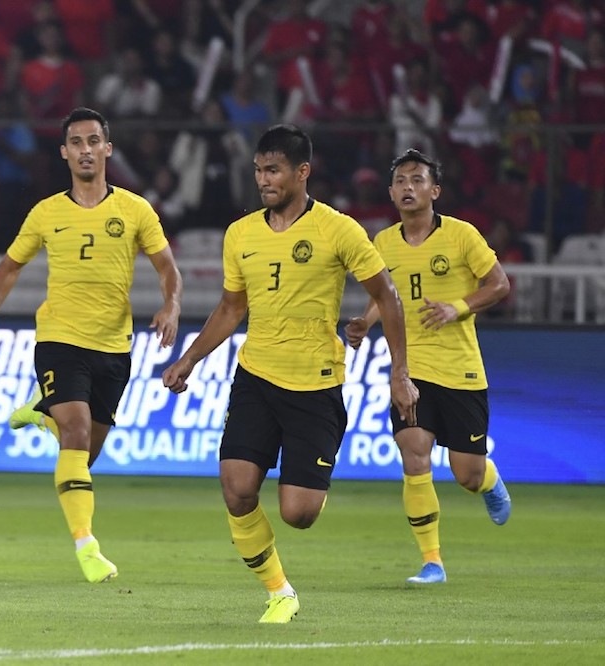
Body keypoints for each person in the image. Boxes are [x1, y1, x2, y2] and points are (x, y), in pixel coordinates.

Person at [161, 124, 419, 624]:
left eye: (274, 170)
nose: (264, 180)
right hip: (256, 376)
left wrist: (399, 372)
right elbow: (232, 307)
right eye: (259, 170)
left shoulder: (338, 230)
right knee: (236, 488)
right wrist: (189, 359)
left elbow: (388, 297)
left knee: (299, 513)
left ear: (303, 172)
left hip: (316, 383)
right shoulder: (241, 234)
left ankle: (305, 500)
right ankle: (279, 591)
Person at [0, 107, 182, 583]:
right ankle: (87, 547)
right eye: (76, 142)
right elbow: (12, 264)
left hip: (114, 348)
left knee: (81, 453)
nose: (85, 150)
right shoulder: (46, 212)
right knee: (77, 434)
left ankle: (42, 411)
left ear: (108, 148)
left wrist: (172, 306)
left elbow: (167, 267)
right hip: (59, 339)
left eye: (93, 141)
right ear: (64, 152)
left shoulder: (135, 210)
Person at [345, 149, 512, 585]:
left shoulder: (461, 236)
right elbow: (386, 297)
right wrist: (366, 320)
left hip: (460, 369)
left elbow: (499, 284)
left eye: (417, 180)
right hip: (409, 369)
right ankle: (432, 562)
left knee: (466, 473)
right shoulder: (382, 243)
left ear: (434, 190)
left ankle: (489, 480)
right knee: (414, 452)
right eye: (400, 180)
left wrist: (458, 307)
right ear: (391, 192)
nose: (408, 187)